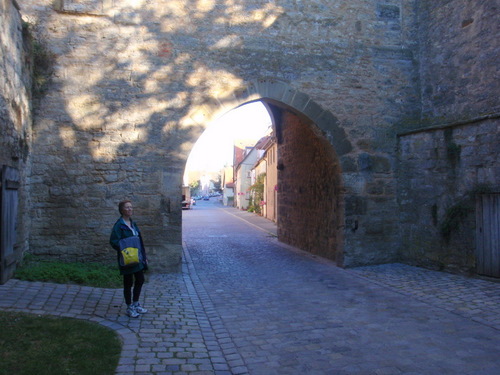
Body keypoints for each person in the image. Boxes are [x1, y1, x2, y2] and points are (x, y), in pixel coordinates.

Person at [110, 200, 148, 318]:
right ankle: (129, 307)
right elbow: (113, 241)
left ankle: (136, 303)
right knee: (128, 282)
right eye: (127, 207)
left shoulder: (133, 223)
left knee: (140, 279)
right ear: (122, 210)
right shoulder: (119, 225)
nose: (130, 209)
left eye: (131, 207)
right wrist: (124, 249)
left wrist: (144, 257)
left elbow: (139, 240)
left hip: (137, 258)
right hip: (126, 259)